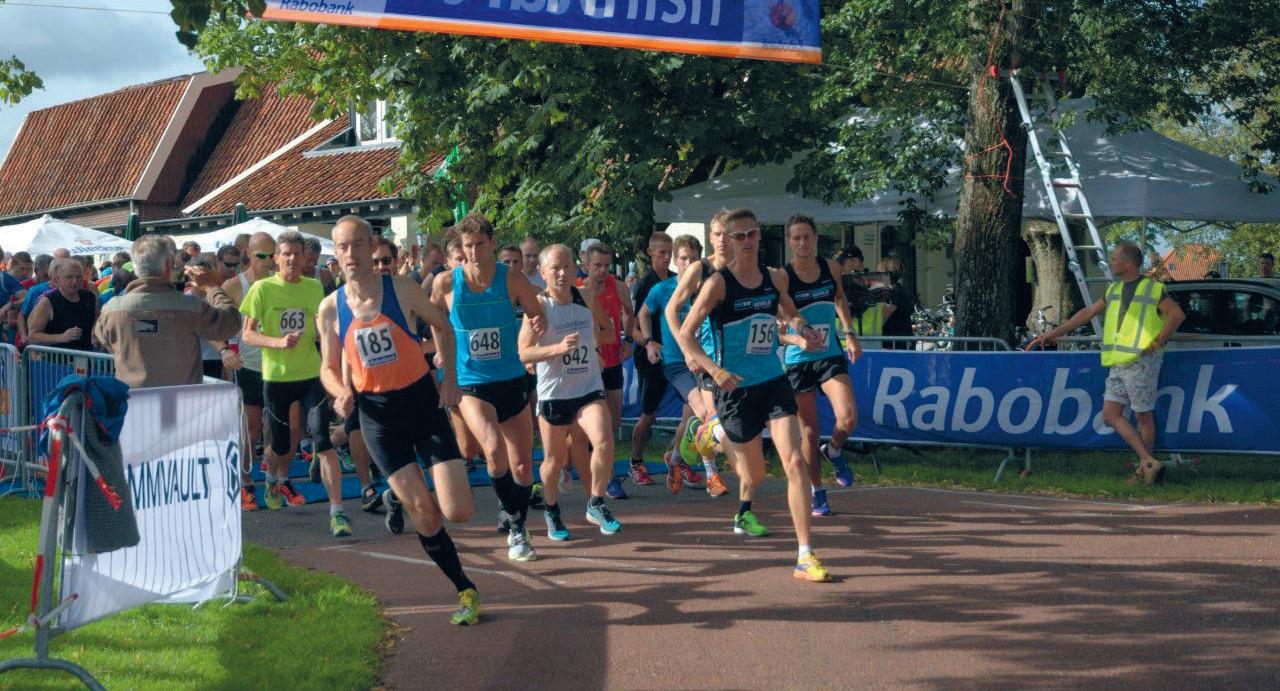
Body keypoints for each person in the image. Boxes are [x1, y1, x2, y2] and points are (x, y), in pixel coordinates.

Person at [317, 215, 481, 625]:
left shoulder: (401, 288)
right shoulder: (330, 308)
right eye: (342, 247)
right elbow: (328, 367)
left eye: (357, 244)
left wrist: (449, 380)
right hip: (377, 417)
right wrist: (340, 393)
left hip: (421, 403)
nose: (351, 254)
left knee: (458, 510)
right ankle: (464, 588)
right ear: (336, 254)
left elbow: (443, 326)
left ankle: (397, 494)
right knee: (424, 512)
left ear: (370, 247)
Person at [678, 208, 831, 582]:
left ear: (760, 236)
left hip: (774, 381)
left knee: (794, 462)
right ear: (729, 241)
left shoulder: (774, 277)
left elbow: (791, 314)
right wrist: (715, 370)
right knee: (755, 474)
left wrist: (803, 330)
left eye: (752, 234)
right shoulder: (718, 284)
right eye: (739, 236)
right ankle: (709, 434)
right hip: (735, 390)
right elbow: (685, 334)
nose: (747, 241)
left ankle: (804, 554)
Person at [429, 213, 547, 562]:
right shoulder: (447, 283)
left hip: (511, 378)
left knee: (522, 467)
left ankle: (517, 525)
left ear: (492, 243)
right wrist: (444, 358)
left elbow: (536, 312)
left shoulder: (512, 279)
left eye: (480, 244)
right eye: (468, 246)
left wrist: (537, 322)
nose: (474, 252)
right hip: (471, 383)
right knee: (493, 449)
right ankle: (516, 527)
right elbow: (434, 317)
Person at [1028, 242, 1186, 485]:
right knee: (1110, 415)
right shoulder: (1114, 289)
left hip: (1141, 361)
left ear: (1128, 263)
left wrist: (1156, 342)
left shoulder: (1152, 288)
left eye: (1114, 259)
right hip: (1118, 362)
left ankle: (1144, 472)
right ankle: (1148, 461)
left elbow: (1176, 315)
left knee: (1143, 417)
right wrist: (1054, 333)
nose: (1111, 263)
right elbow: (1088, 312)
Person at [240, 231, 348, 536]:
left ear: (304, 258)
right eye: (285, 254)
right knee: (281, 444)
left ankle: (337, 511)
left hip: (311, 375)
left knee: (321, 441)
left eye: (296, 254)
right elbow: (247, 334)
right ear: (276, 258)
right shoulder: (262, 289)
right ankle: (272, 480)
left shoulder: (314, 287)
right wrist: (278, 342)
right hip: (277, 378)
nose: (291, 259)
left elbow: (321, 329)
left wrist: (331, 354)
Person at [520, 243, 622, 540]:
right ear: (543, 273)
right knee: (553, 461)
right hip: (555, 393)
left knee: (604, 439)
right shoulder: (538, 307)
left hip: (588, 387)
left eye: (567, 266)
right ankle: (552, 510)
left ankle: (596, 502)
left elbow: (608, 330)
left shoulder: (586, 296)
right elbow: (523, 353)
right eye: (555, 268)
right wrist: (557, 348)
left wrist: (595, 348)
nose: (563, 273)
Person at [780, 215, 862, 516]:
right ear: (789, 241)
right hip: (799, 361)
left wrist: (849, 333)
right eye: (796, 238)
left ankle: (835, 449)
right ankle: (817, 490)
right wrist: (798, 339)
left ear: (815, 238)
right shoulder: (782, 277)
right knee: (810, 432)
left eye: (807, 237)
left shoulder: (831, 268)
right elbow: (778, 326)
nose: (802, 242)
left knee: (848, 417)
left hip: (829, 355)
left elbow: (839, 298)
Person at [93, 235, 241, 387]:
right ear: (168, 265)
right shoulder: (191, 307)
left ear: (135, 266)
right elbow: (231, 323)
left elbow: (102, 340)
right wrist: (211, 287)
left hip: (132, 397)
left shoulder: (112, 309)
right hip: (181, 396)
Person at [636, 235, 715, 494]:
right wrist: (649, 342)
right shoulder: (663, 289)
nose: (688, 264)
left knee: (690, 417)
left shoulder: (708, 287)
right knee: (703, 413)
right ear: (675, 260)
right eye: (683, 258)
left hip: (703, 360)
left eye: (693, 259)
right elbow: (643, 313)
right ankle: (711, 474)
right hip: (676, 363)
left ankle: (675, 458)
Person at [665, 212, 736, 498]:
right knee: (712, 419)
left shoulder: (744, 268)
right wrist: (687, 350)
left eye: (728, 233)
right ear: (711, 237)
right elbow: (671, 311)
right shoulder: (700, 269)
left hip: (739, 359)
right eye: (717, 234)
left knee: (724, 425)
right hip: (707, 358)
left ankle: (696, 436)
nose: (723, 239)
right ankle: (711, 475)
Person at [221, 232, 276, 511]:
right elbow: (212, 324)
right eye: (262, 256)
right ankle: (245, 484)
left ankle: (274, 480)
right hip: (248, 366)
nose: (269, 261)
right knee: (249, 430)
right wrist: (224, 350)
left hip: (279, 366)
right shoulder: (234, 286)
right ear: (249, 255)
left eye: (272, 255)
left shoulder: (281, 283)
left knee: (277, 428)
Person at [576, 242, 634, 499]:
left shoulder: (619, 287)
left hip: (613, 362)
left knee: (615, 421)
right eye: (597, 265)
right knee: (601, 425)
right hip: (589, 365)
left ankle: (596, 462)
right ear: (586, 264)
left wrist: (629, 340)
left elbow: (630, 314)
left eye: (606, 266)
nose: (602, 271)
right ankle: (609, 477)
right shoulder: (578, 291)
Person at [626, 232, 673, 485]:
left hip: (675, 355)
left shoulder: (676, 280)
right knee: (649, 414)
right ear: (650, 252)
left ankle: (676, 457)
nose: (666, 257)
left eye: (670, 252)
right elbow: (632, 325)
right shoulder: (645, 284)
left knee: (693, 409)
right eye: (661, 252)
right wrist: (648, 343)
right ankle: (636, 461)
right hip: (650, 358)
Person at [27, 257, 98, 352]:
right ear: (57, 279)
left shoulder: (90, 297)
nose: (75, 281)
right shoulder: (47, 301)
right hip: (56, 358)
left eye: (78, 277)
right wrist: (62, 337)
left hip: (85, 356)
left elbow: (97, 319)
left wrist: (96, 333)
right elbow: (32, 336)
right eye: (69, 277)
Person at [876, 257, 914, 349]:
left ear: (886, 273)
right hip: (892, 343)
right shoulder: (891, 292)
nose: (876, 274)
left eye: (878, 271)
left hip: (897, 345)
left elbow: (881, 319)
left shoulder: (896, 293)